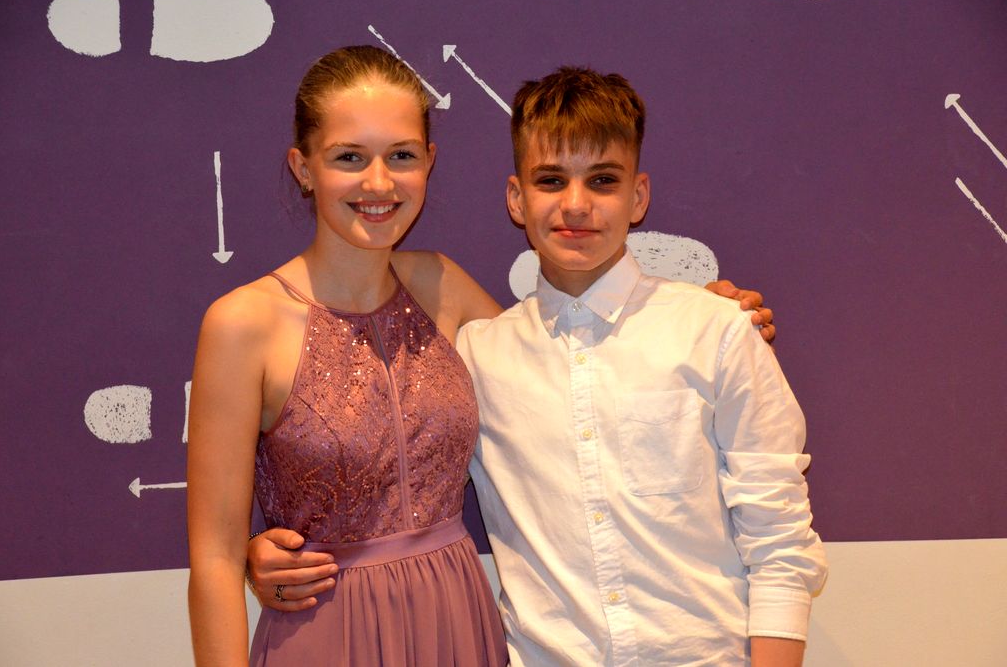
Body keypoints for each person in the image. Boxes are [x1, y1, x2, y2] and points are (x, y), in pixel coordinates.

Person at [246, 65, 817, 666]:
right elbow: (380, 466)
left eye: (603, 180)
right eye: (551, 180)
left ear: (638, 196)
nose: (576, 205)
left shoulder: (716, 331)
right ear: (517, 199)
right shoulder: (476, 359)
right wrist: (258, 555)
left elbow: (779, 540)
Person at [186, 45, 508, 666]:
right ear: (304, 167)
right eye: (349, 157)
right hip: (325, 634)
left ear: (429, 161)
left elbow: (570, 377)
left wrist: (694, 310)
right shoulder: (243, 323)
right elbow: (215, 561)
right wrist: (253, 554)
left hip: (458, 626)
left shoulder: (443, 285)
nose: (379, 183)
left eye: (401, 156)